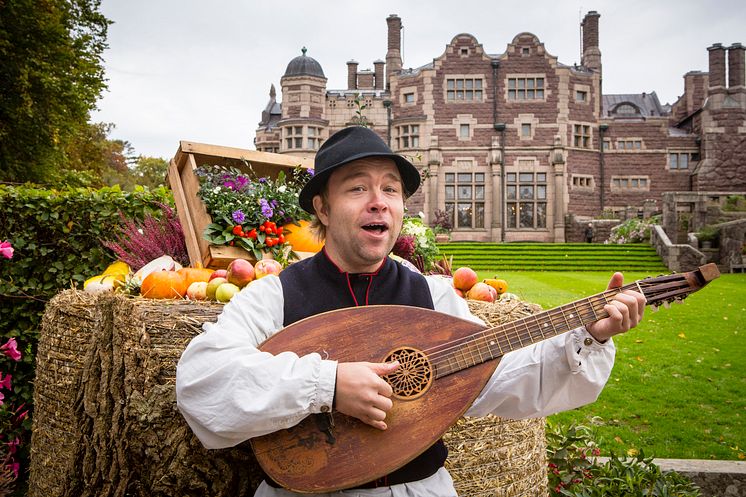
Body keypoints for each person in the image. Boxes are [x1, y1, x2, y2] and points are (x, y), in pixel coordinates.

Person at [176, 126, 646, 497]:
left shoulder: (433, 297)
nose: (378, 200)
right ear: (321, 207)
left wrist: (590, 336)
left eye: (390, 189)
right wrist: (329, 385)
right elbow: (203, 382)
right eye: (357, 188)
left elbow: (500, 379)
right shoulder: (275, 296)